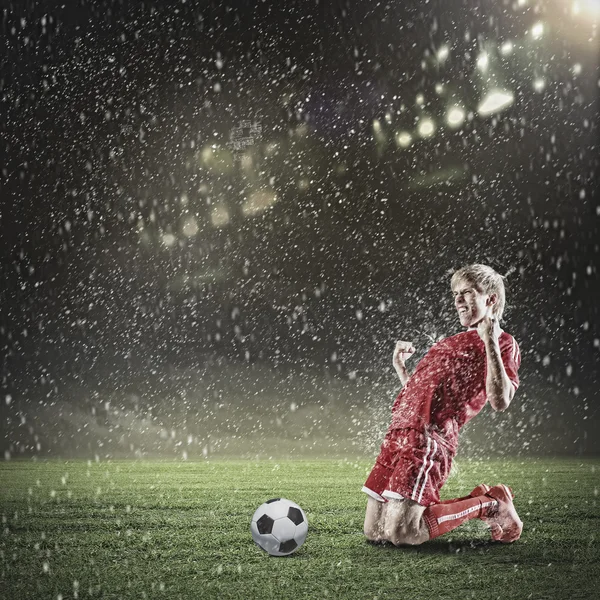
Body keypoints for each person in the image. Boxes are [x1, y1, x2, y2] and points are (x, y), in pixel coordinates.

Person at [362, 264, 522, 546]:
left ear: (491, 299)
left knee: (403, 534)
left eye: (467, 292)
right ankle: (480, 501)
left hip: (428, 439)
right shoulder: (449, 343)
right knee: (375, 533)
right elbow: (424, 396)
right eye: (455, 294)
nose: (458, 300)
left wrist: (490, 342)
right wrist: (400, 368)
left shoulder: (503, 342)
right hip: (399, 433)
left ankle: (491, 505)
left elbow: (501, 400)